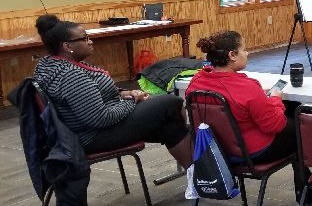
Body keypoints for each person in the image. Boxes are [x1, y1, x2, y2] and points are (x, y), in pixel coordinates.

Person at [186, 31, 312, 206]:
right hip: (252, 151)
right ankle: (309, 195)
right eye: (243, 49)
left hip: (218, 150)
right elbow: (275, 125)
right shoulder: (247, 86)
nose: (247, 53)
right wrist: (275, 98)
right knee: (303, 128)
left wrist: (262, 99)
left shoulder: (197, 82)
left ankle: (309, 193)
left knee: (293, 110)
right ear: (232, 55)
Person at [32, 14, 192, 169]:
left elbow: (91, 94)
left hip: (95, 126)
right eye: (84, 38)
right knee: (172, 102)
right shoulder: (70, 75)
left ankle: (197, 176)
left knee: (171, 127)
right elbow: (100, 118)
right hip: (92, 136)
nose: (90, 42)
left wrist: (123, 93)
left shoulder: (51, 64)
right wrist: (132, 101)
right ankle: (202, 175)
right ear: (67, 46)